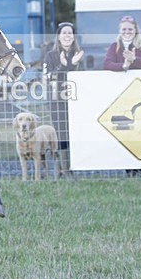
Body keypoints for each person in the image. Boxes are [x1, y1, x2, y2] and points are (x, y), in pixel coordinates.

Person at [103, 15, 141, 177]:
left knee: (139, 130)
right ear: (120, 30)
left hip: (138, 93)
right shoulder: (114, 46)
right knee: (124, 131)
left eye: (130, 29)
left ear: (135, 30)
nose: (127, 32)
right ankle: (128, 169)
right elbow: (107, 64)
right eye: (124, 29)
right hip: (120, 94)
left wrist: (134, 59)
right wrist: (123, 66)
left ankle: (140, 168)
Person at [43, 22, 84, 175]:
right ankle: (64, 170)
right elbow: (47, 77)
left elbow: (83, 77)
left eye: (70, 33)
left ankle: (75, 166)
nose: (67, 35)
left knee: (75, 132)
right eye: (64, 33)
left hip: (76, 101)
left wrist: (73, 64)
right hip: (57, 101)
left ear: (73, 36)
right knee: (61, 133)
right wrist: (63, 65)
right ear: (58, 36)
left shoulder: (79, 55)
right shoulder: (50, 55)